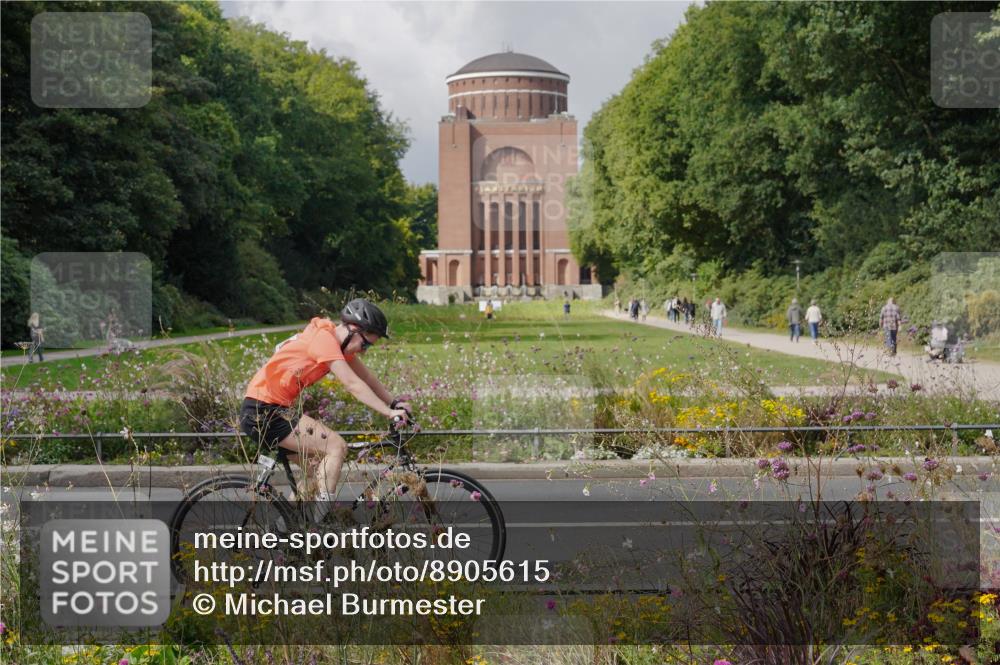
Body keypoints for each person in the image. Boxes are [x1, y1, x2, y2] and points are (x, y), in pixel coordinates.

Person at [239, 299, 410, 518]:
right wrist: (389, 412)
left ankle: (286, 530)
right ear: (354, 330)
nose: (364, 351)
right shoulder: (324, 340)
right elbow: (353, 384)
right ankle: (322, 527)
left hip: (275, 409)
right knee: (336, 446)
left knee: (318, 471)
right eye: (365, 344)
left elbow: (366, 377)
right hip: (263, 411)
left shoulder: (337, 343)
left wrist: (394, 402)